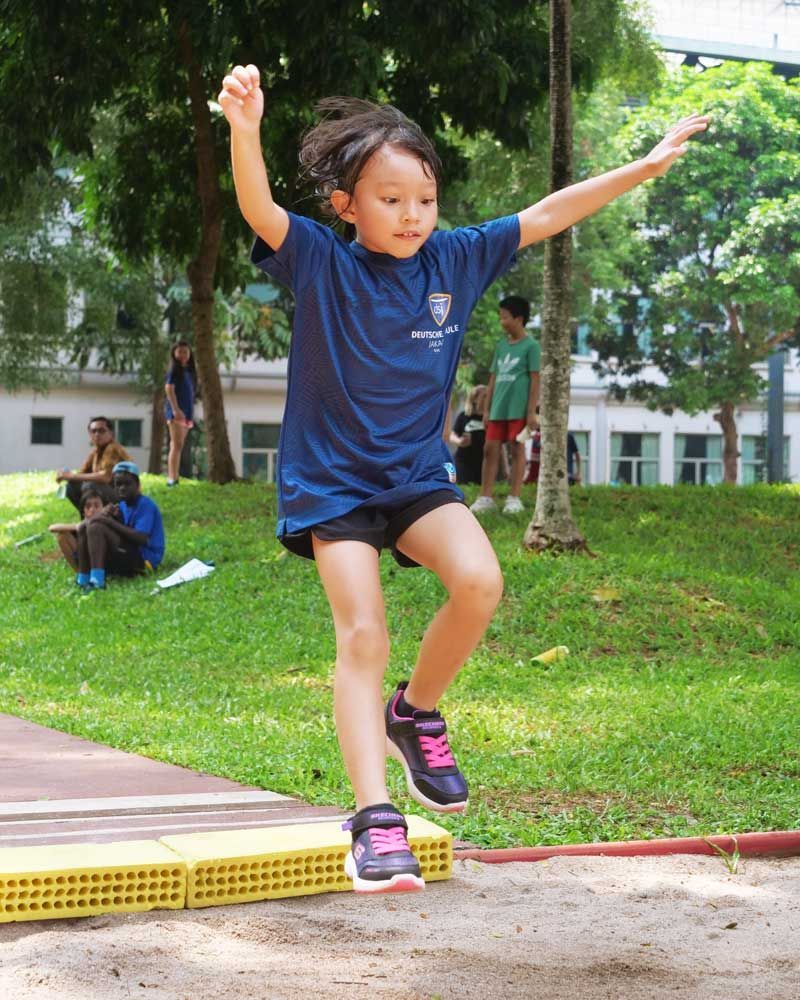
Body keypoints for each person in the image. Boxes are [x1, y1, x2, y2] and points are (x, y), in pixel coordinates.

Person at [219, 62, 707, 893]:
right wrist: (244, 129)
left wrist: (646, 166)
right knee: (362, 635)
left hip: (413, 476)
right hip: (333, 485)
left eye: (425, 199)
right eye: (390, 198)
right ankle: (375, 821)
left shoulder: (455, 260)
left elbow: (550, 212)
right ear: (346, 205)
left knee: (480, 581)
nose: (412, 215)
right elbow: (260, 208)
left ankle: (413, 712)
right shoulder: (319, 263)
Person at [470, 297, 539, 515]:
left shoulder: (532, 346)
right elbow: (493, 379)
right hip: (498, 409)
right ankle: (485, 497)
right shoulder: (501, 346)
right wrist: (487, 408)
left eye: (505, 317)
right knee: (490, 450)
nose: (502, 321)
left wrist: (531, 412)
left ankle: (514, 497)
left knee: (517, 449)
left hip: (518, 410)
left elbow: (535, 380)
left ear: (519, 319)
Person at [75, 461, 165, 592]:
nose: (122, 488)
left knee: (96, 526)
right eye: (118, 484)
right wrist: (109, 516)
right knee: (87, 526)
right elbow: (118, 532)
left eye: (127, 484)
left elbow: (141, 538)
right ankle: (82, 578)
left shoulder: (146, 505)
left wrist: (109, 522)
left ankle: (97, 581)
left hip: (145, 561)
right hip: (128, 554)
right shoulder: (121, 506)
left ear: (138, 485)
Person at [55, 416, 132, 511]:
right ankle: (88, 518)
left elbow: (105, 477)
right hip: (110, 495)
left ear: (111, 434)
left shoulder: (112, 448)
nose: (97, 434)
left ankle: (100, 518)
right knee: (71, 486)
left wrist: (71, 476)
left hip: (126, 500)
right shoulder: (96, 453)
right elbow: (81, 475)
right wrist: (65, 475)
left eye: (101, 431)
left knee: (91, 485)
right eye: (93, 431)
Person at [48, 488, 105, 572]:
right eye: (88, 507)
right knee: (62, 536)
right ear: (83, 512)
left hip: (103, 561)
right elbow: (52, 528)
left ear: (103, 508)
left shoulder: (108, 522)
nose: (92, 510)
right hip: (84, 558)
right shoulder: (81, 525)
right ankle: (79, 571)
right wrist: (78, 526)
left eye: (96, 506)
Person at [164, 341, 197, 487]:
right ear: (174, 354)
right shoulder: (174, 371)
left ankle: (175, 476)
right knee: (176, 445)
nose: (183, 355)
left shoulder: (189, 371)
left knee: (179, 445)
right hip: (177, 413)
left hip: (187, 413)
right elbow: (169, 389)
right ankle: (172, 478)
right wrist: (176, 409)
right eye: (180, 351)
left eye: (186, 351)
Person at [449, 385, 487, 485]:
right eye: (484, 396)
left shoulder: (491, 419)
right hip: (464, 462)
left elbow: (499, 445)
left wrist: (505, 468)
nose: (488, 399)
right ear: (474, 399)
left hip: (485, 463)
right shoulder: (464, 416)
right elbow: (451, 435)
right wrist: (459, 441)